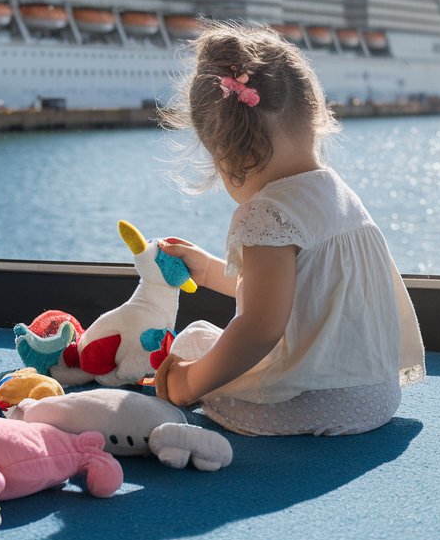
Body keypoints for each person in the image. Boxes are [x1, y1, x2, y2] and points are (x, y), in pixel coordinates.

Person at [152, 21, 425, 436]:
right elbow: (302, 293)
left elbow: (261, 327)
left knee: (194, 342)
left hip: (311, 406)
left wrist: (189, 383)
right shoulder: (338, 194)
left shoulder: (265, 214)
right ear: (314, 116)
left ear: (228, 158)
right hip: (377, 396)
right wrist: (209, 271)